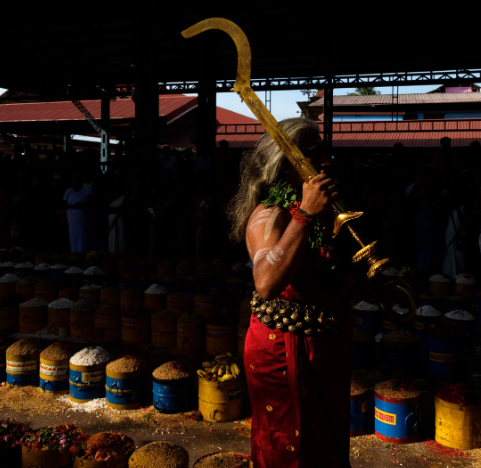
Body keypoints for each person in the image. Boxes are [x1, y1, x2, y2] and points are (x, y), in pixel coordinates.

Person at [228, 118, 353, 468]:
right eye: (314, 155)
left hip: (323, 346)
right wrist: (306, 214)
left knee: (325, 444)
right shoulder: (270, 214)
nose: (326, 161)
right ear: (286, 164)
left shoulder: (325, 214)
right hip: (281, 354)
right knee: (288, 447)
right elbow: (266, 282)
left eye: (325, 151)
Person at [63, 175, 91, 253]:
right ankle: (74, 251)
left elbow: (88, 205)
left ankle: (82, 251)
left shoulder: (86, 192)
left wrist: (81, 206)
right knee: (73, 234)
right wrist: (74, 206)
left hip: (81, 216)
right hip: (71, 216)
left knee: (81, 235)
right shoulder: (69, 191)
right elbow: (64, 204)